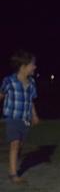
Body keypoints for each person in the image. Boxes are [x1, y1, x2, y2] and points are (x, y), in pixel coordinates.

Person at [0, 51, 40, 183]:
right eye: (32, 64)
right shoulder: (9, 81)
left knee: (19, 144)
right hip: (12, 117)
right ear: (23, 66)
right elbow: (1, 94)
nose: (34, 67)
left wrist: (34, 115)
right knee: (15, 143)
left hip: (25, 118)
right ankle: (13, 174)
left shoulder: (32, 83)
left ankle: (14, 163)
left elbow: (31, 101)